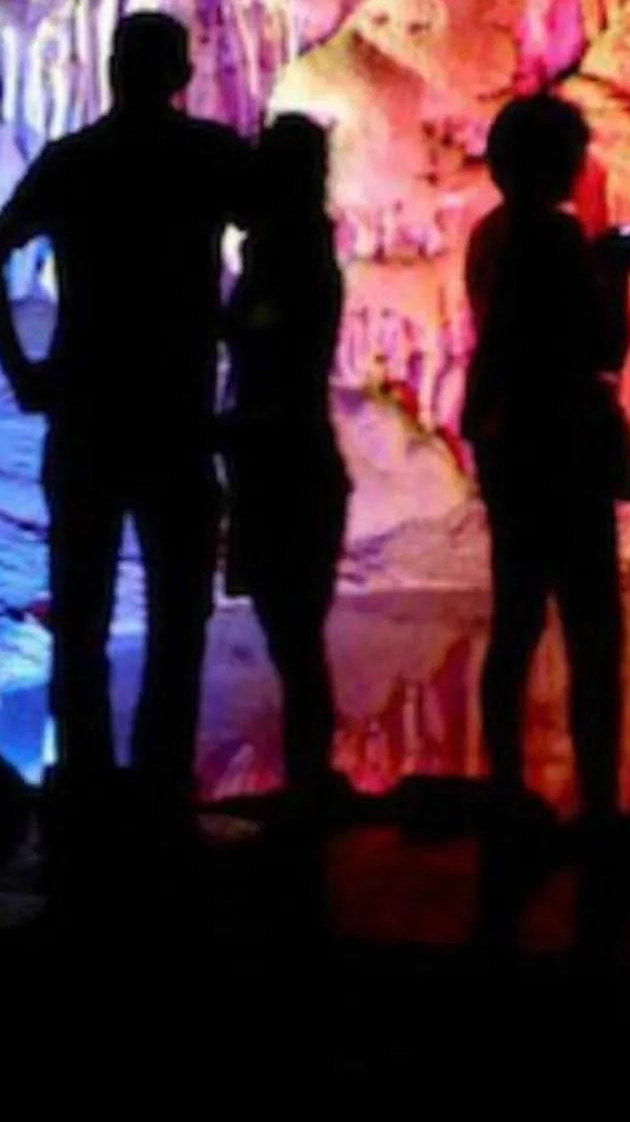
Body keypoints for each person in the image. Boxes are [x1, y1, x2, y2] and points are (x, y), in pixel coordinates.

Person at [0, 11, 251, 822]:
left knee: (82, 609)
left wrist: (21, 368)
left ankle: (87, 787)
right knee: (177, 614)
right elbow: (291, 225)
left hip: (89, 407)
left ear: (111, 69)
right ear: (179, 75)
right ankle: (161, 783)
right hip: (175, 413)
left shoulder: (75, 161)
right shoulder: (205, 155)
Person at [461, 93, 630, 831]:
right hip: (562, 455)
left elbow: (497, 341)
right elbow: (603, 348)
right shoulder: (556, 241)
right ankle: (598, 819)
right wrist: (616, 274)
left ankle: (507, 795)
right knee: (594, 640)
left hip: (514, 454)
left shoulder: (490, 234)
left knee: (515, 625)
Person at [223, 114, 351, 810]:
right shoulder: (289, 249)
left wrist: (223, 427)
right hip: (280, 457)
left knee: (294, 635)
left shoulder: (294, 255)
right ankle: (308, 779)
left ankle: (308, 788)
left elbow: (276, 360)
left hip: (285, 463)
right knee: (293, 635)